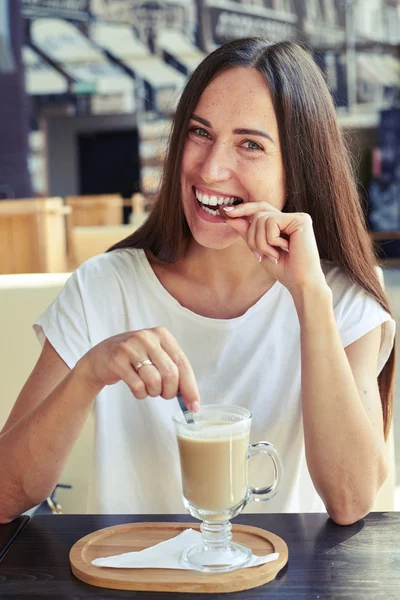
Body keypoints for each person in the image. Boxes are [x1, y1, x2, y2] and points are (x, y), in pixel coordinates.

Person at [0, 38, 395, 525]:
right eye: (199, 133)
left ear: (299, 167)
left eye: (250, 144)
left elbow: (351, 500)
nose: (210, 169)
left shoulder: (340, 297)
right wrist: (87, 375)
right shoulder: (103, 287)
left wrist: (310, 294)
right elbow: (3, 495)